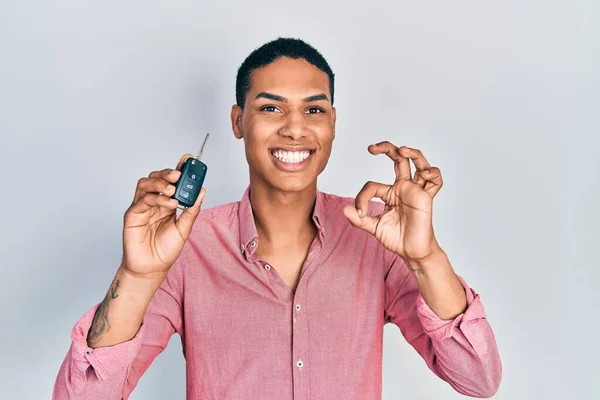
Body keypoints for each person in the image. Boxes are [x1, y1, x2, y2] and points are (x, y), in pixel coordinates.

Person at [52, 37, 502, 400]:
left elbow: (479, 380)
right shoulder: (186, 247)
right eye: (270, 107)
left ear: (332, 124)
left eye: (313, 109)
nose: (294, 127)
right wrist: (136, 275)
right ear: (237, 120)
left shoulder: (376, 236)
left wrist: (426, 256)